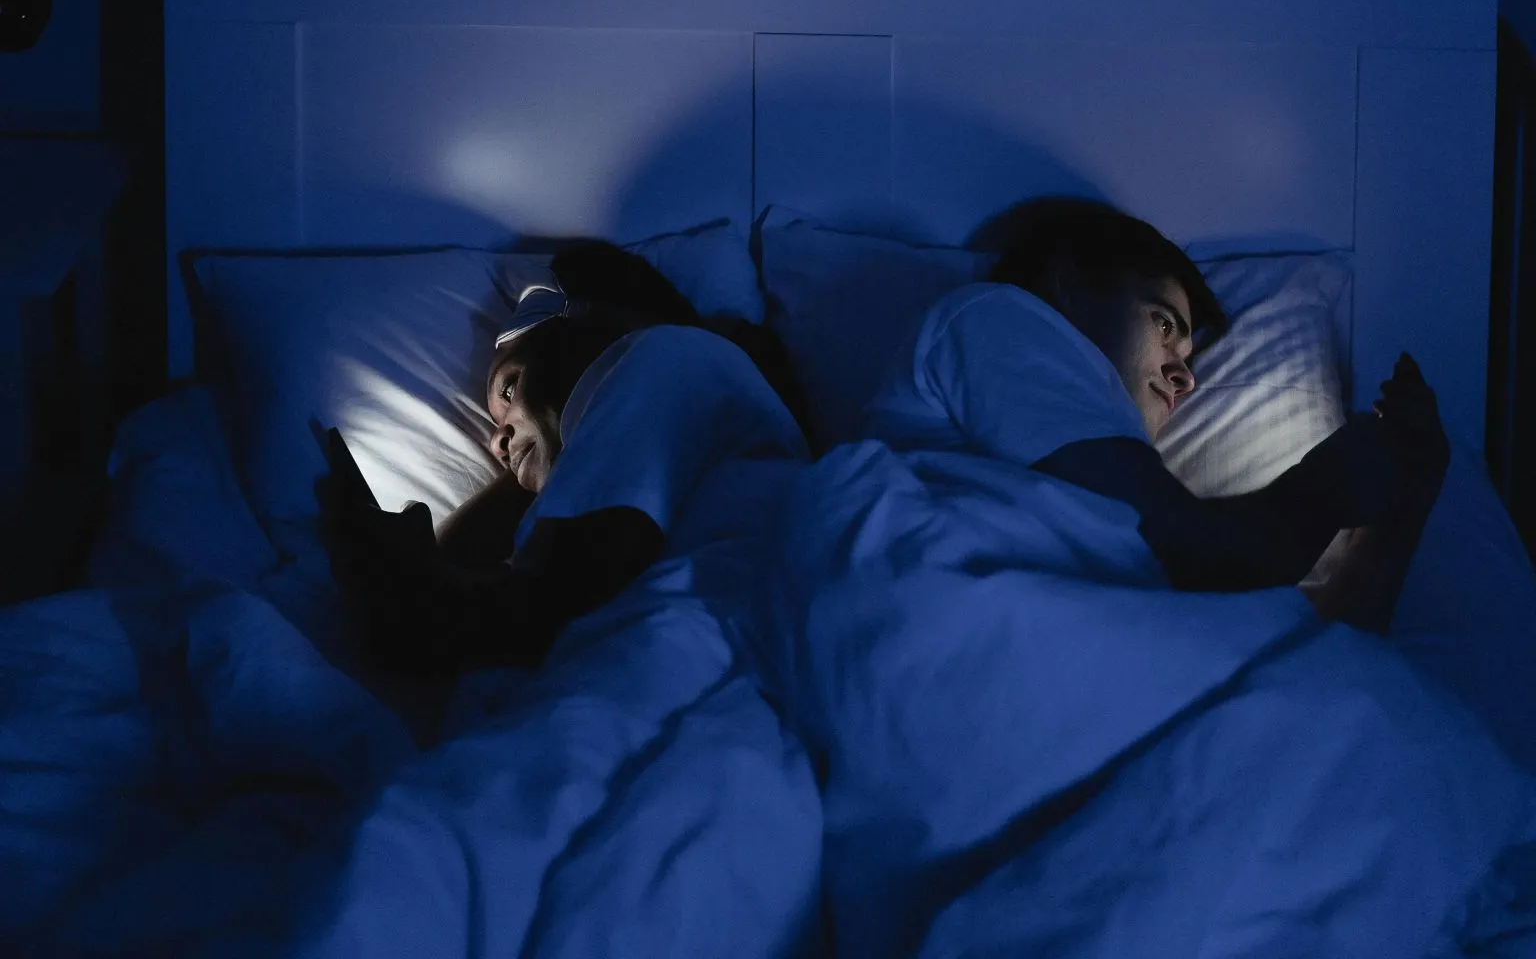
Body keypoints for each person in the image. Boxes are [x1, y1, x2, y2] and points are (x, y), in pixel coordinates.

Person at [864, 196, 1449, 629]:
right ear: (1065, 283)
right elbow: (1198, 553)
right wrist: (1328, 487)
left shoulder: (1116, 504)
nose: (1185, 377)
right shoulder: (994, 318)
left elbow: (1315, 667)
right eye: (1163, 324)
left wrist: (1400, 513)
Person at [324, 240, 812, 682]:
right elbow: (474, 563)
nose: (498, 441)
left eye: (509, 388)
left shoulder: (667, 354)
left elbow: (552, 606)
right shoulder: (618, 444)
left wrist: (402, 584)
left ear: (592, 326)